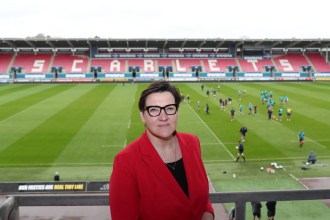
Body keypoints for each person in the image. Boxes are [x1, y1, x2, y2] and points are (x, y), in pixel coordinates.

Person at [109, 81, 214, 220]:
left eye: (169, 108)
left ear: (177, 111)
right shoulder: (126, 161)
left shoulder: (192, 143)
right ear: (142, 116)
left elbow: (200, 199)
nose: (163, 117)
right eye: (153, 110)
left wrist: (207, 215)